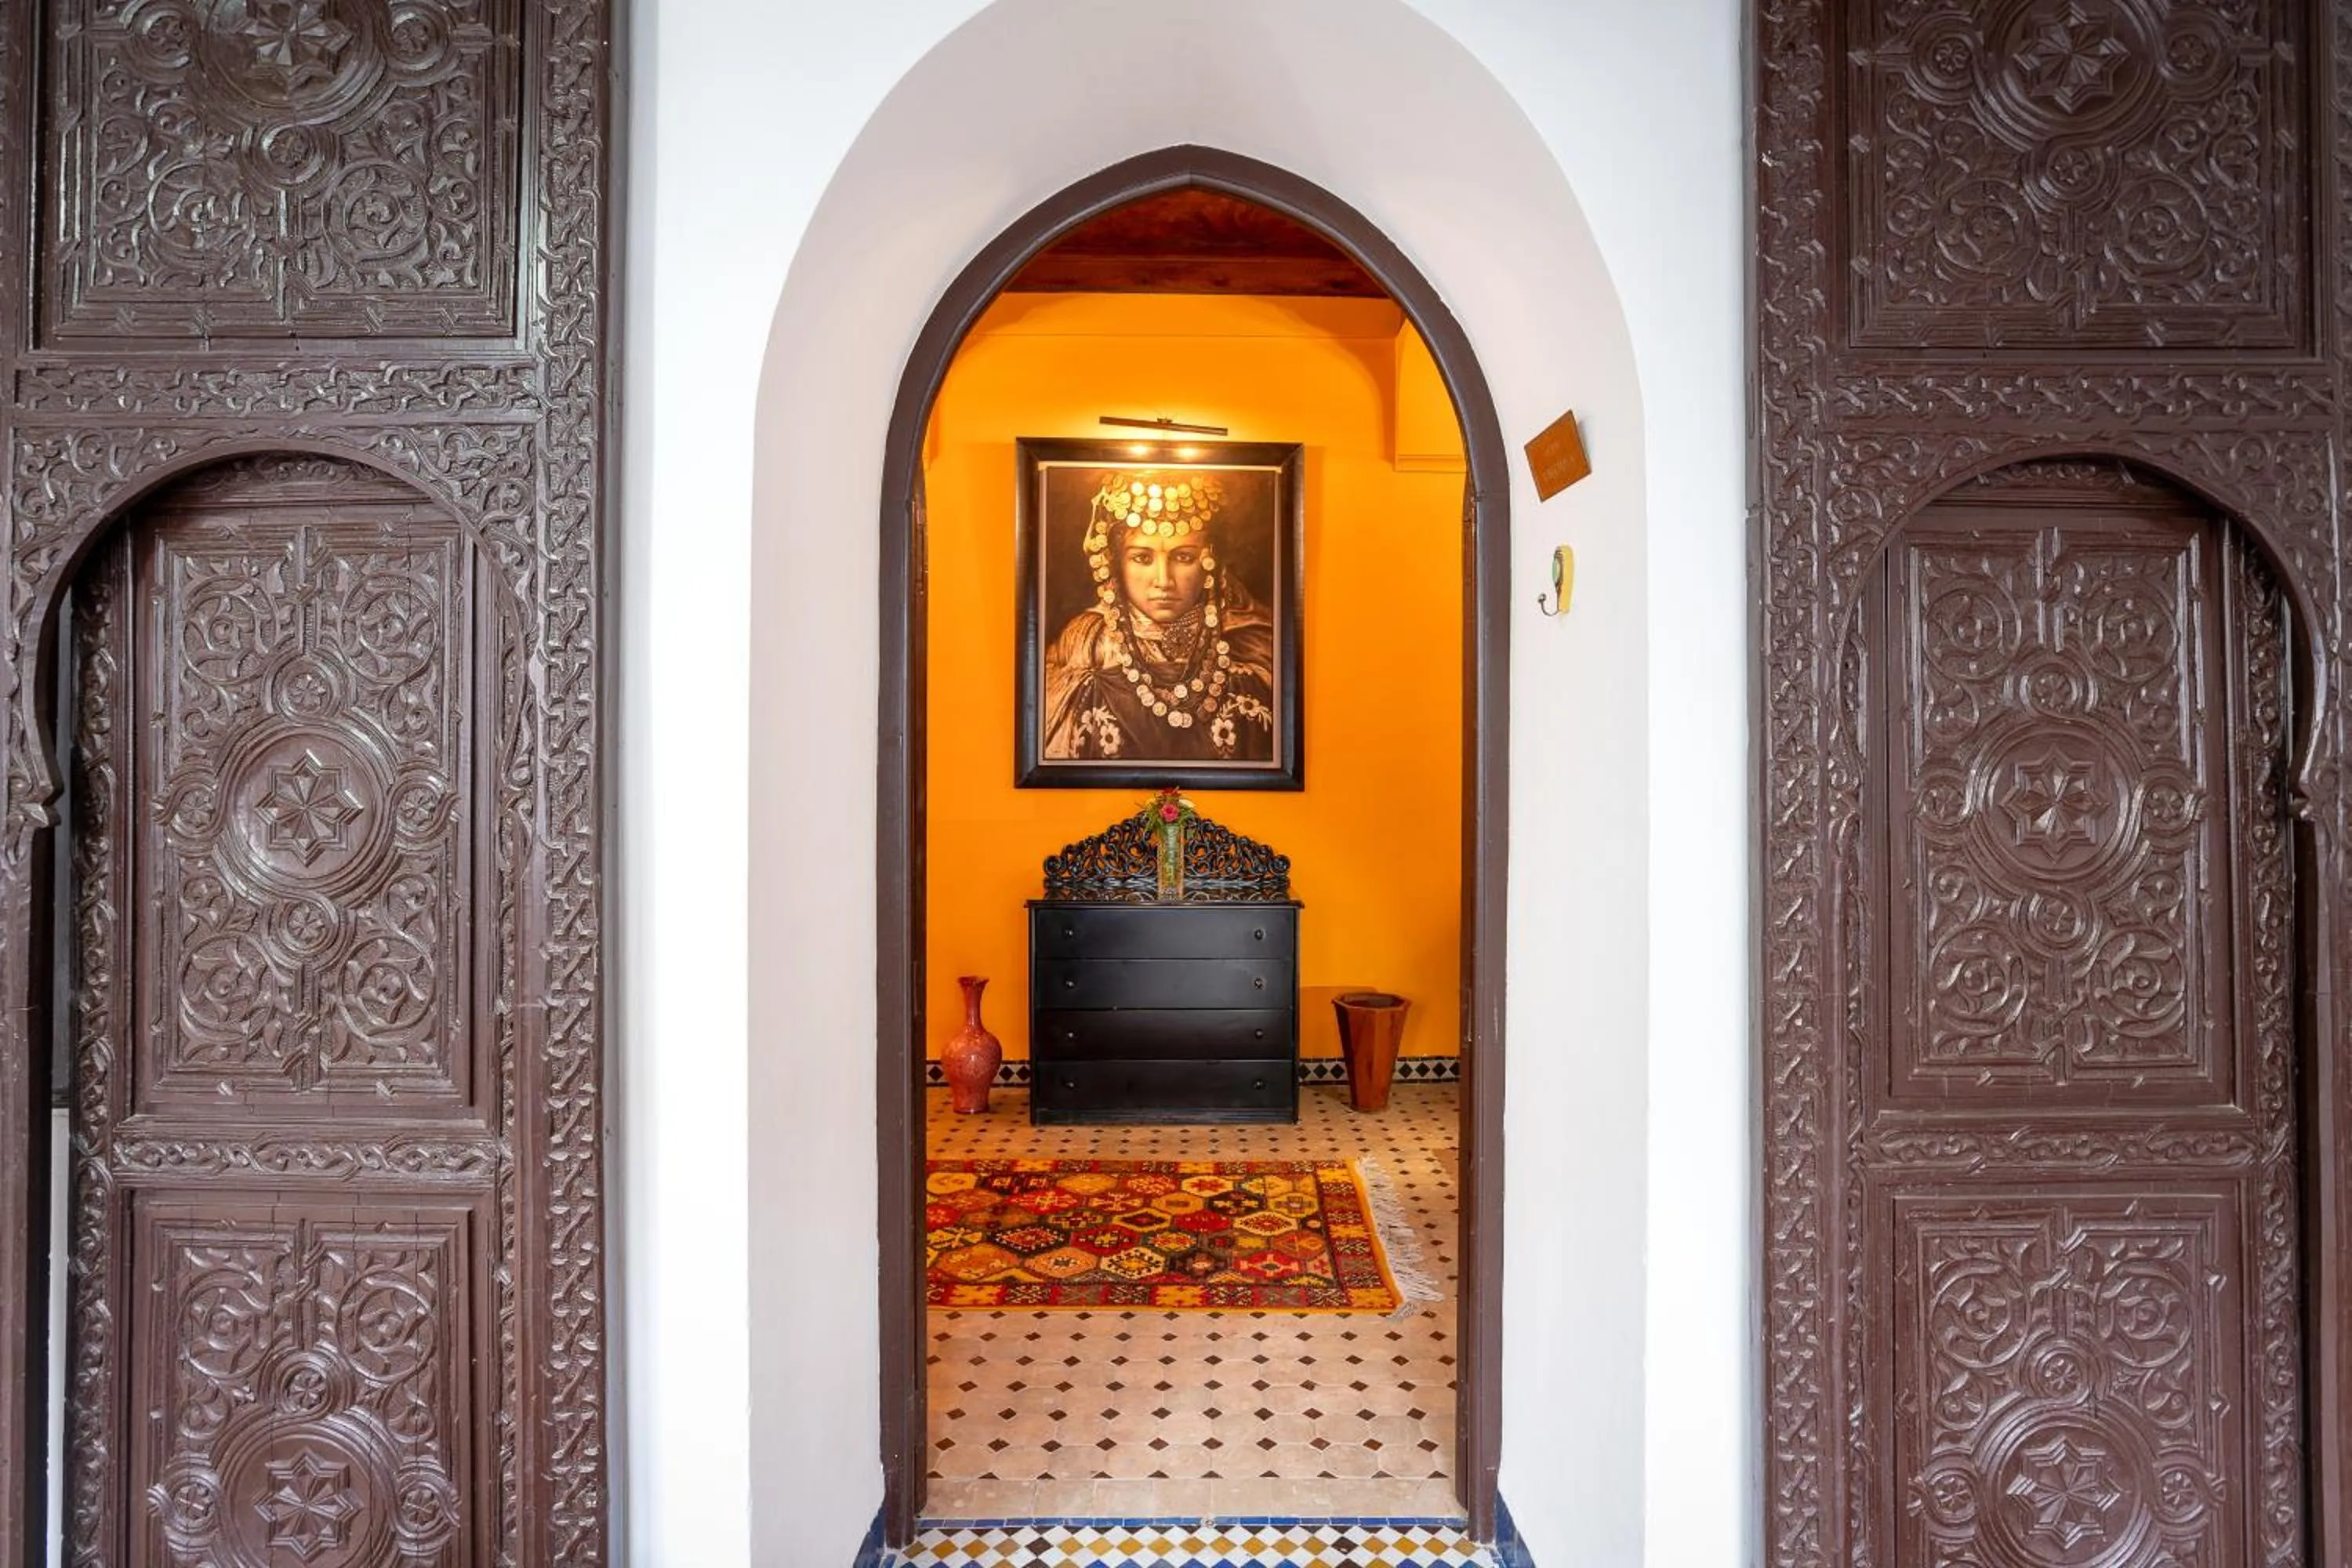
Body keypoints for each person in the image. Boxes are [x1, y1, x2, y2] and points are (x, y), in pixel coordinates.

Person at [1040, 470, 1276, 762]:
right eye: (1142, 558)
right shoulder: (1086, 645)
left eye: (1183, 557)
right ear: (1116, 564)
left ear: (1210, 563)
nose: (1164, 580)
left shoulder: (1253, 644)